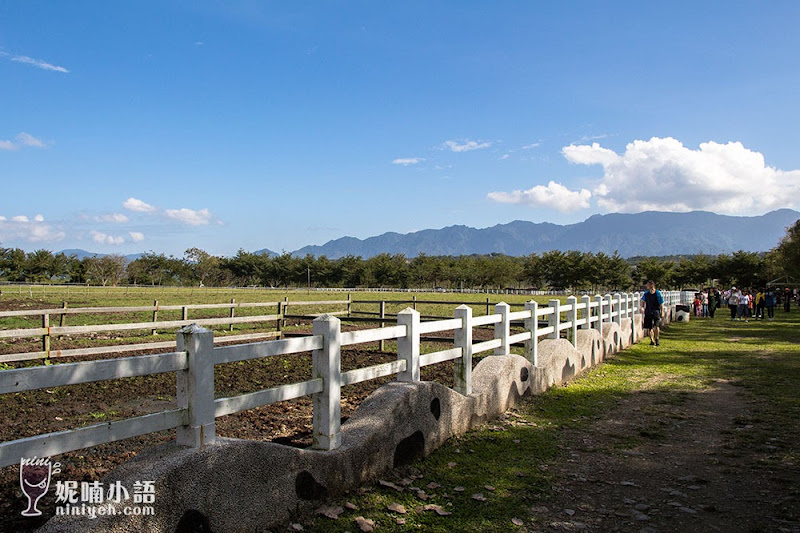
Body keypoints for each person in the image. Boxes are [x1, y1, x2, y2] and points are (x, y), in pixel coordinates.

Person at [641, 280, 664, 346]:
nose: (646, 286)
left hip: (656, 311)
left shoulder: (657, 293)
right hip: (648, 311)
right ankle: (652, 340)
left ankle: (657, 338)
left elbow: (661, 303)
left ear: (651, 285)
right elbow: (642, 301)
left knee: (656, 326)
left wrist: (662, 311)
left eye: (647, 285)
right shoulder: (646, 293)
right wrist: (642, 307)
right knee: (649, 327)